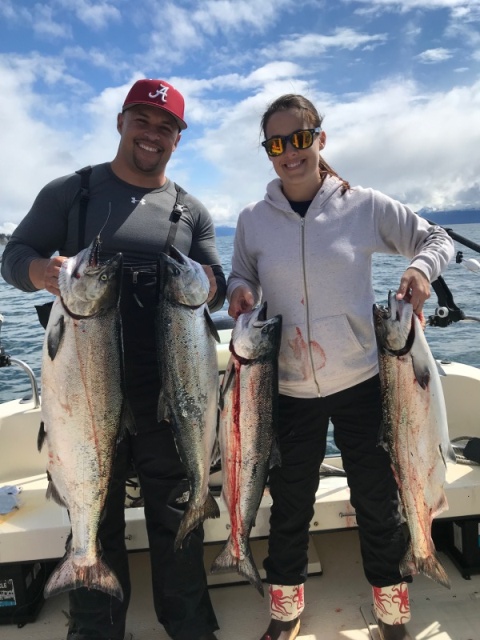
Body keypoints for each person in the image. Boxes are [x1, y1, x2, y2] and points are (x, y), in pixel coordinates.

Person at [1, 78, 226, 640]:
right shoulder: (70, 193)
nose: (153, 134)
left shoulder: (189, 211)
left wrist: (221, 287)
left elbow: (214, 281)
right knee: (91, 513)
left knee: (179, 518)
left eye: (166, 126)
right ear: (121, 120)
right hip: (82, 395)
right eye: (143, 120)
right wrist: (41, 273)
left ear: (179, 138)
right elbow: (14, 256)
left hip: (169, 394)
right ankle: (96, 628)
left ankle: (190, 625)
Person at [227, 94, 454, 640]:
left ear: (319, 140)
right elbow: (241, 276)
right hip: (285, 388)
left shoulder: (363, 206)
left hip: (363, 382)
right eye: (276, 144)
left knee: (378, 503)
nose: (290, 153)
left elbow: (436, 239)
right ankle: (285, 614)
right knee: (290, 507)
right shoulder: (252, 220)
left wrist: (422, 270)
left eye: (300, 138)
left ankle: (393, 616)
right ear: (268, 152)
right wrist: (239, 291)